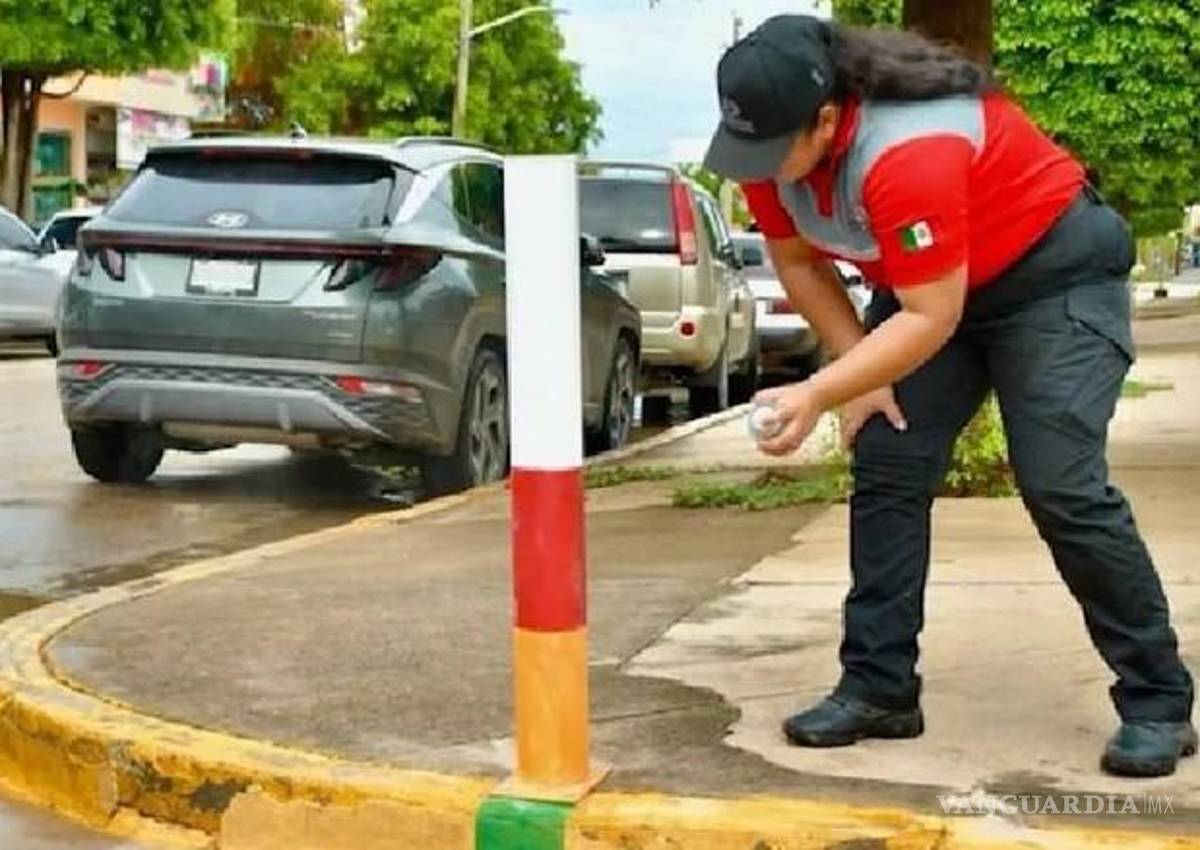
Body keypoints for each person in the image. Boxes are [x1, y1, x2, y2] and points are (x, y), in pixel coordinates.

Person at [703, 14, 1195, 777]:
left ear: (828, 117)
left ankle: (1159, 699)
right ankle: (879, 686)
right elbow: (801, 264)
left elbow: (934, 315)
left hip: (1052, 280)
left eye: (772, 151)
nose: (757, 170)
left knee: (1060, 482)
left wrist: (821, 392)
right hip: (932, 292)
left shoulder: (910, 148)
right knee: (890, 461)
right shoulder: (769, 153)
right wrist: (858, 374)